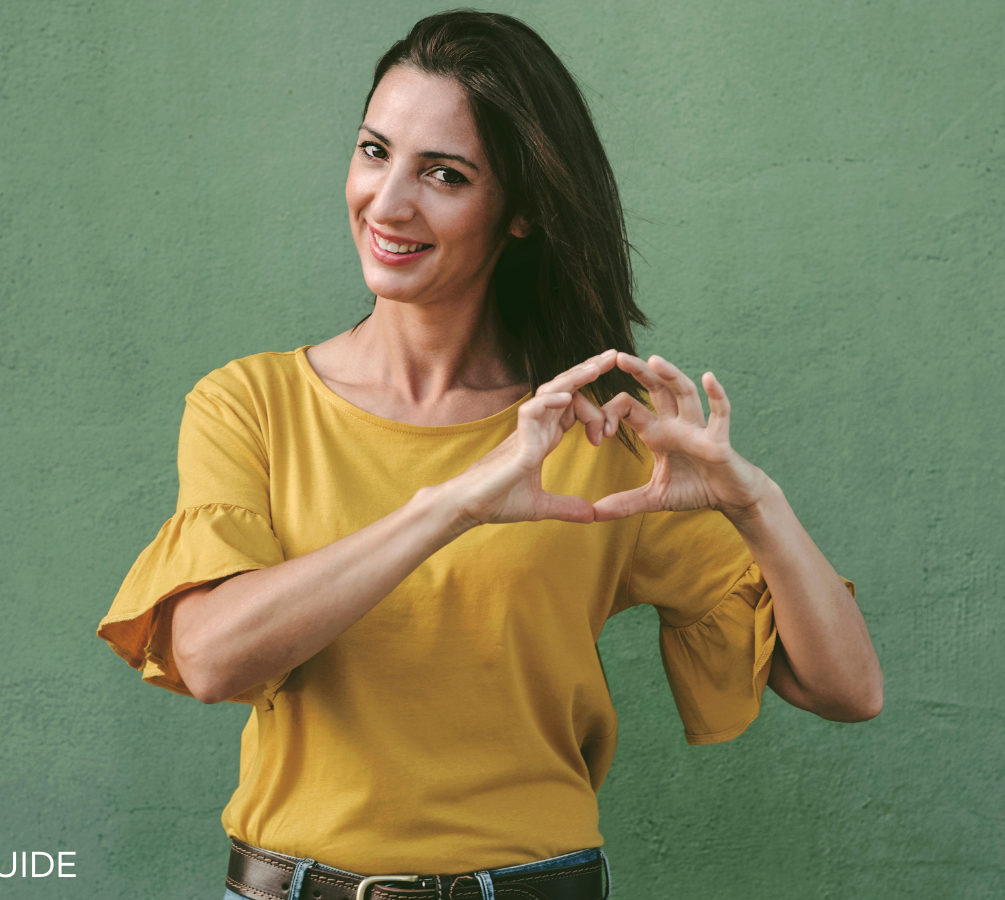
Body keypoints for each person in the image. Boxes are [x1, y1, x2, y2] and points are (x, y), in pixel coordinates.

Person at [97, 11, 882, 900]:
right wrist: (454, 505)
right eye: (373, 151)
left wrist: (756, 505)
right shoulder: (250, 405)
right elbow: (209, 659)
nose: (390, 202)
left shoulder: (594, 438)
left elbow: (847, 689)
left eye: (445, 174)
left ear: (520, 212)